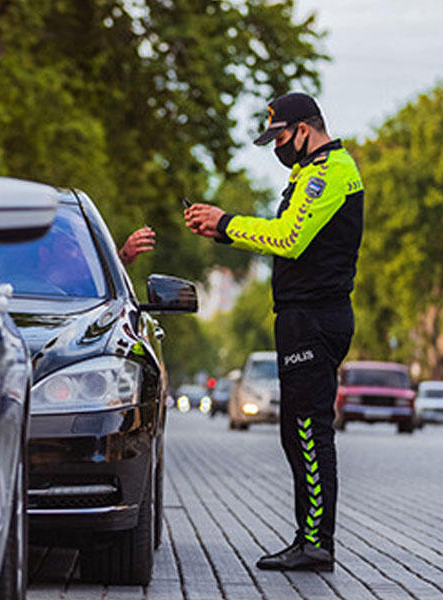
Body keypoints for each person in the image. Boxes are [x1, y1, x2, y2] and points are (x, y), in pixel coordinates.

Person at [184, 92, 364, 572]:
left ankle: (316, 544)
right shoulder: (310, 172)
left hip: (315, 318)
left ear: (304, 129)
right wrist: (223, 232)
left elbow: (288, 238)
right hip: (303, 317)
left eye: (280, 138)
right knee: (295, 431)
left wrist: (227, 222)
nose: (277, 148)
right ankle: (309, 538)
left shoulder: (327, 173)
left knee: (308, 429)